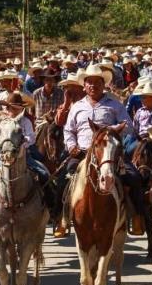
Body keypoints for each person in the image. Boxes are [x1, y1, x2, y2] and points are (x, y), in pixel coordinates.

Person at [55, 64, 146, 237]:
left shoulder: (115, 104)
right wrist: (71, 145)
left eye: (97, 82)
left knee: (133, 177)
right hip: (82, 153)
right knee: (62, 179)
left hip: (109, 154)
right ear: (84, 85)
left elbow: (128, 127)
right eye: (89, 82)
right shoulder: (77, 106)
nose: (93, 85)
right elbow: (68, 130)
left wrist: (110, 130)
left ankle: (136, 217)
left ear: (103, 84)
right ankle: (62, 218)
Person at [124, 79, 152, 157]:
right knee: (127, 152)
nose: (141, 100)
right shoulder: (139, 112)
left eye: (144, 97)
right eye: (142, 97)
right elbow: (135, 129)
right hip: (141, 139)